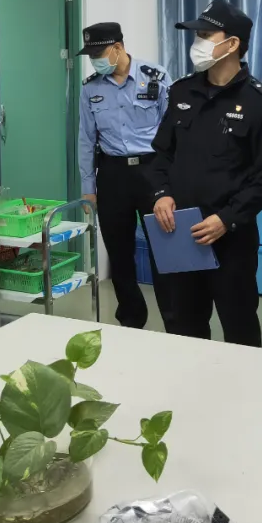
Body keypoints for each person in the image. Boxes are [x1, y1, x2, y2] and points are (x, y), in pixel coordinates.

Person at [148, 0, 262, 347]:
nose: (198, 43)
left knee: (239, 326)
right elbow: (161, 153)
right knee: (183, 326)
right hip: (180, 233)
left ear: (232, 43)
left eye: (206, 35)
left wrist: (227, 219)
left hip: (231, 239)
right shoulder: (181, 91)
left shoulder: (260, 102)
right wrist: (161, 193)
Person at [78, 22, 173, 330]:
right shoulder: (90, 88)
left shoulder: (155, 77)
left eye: (99, 54)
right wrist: (88, 187)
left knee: (164, 250)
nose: (95, 61)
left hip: (152, 172)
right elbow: (85, 139)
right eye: (91, 56)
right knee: (119, 253)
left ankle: (175, 319)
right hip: (112, 174)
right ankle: (131, 319)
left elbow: (174, 132)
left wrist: (173, 183)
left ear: (117, 48)